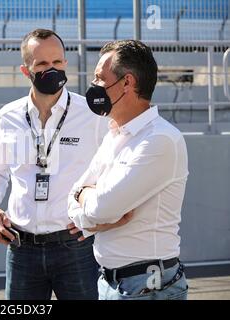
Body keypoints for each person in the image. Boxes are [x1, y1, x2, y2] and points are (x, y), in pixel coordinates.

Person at [0, 29, 108, 300]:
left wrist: (99, 218)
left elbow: (113, 169)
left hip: (76, 248)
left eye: (57, 62)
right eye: (42, 64)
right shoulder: (8, 116)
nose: (52, 69)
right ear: (26, 70)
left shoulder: (91, 114)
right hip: (21, 249)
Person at [68, 40, 189, 300]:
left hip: (148, 286)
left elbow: (103, 207)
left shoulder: (160, 140)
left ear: (127, 83)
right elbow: (74, 197)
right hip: (110, 283)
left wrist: (92, 207)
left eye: (101, 78)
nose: (94, 86)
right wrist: (96, 220)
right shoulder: (115, 133)